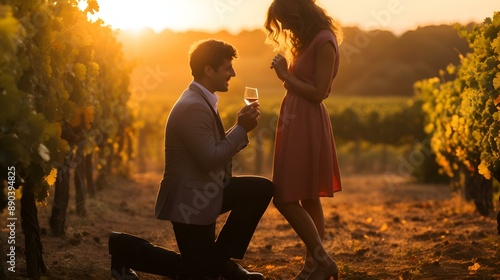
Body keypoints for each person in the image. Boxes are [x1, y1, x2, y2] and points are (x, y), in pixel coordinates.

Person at [108, 39, 274, 280]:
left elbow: (209, 149)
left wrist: (239, 129)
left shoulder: (201, 99)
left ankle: (221, 263)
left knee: (260, 189)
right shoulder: (193, 106)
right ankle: (124, 248)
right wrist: (240, 129)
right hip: (190, 200)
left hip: (206, 189)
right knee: (199, 273)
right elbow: (210, 159)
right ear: (209, 69)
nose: (233, 73)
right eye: (227, 67)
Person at [265, 0, 343, 279]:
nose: (283, 27)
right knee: (309, 197)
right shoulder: (308, 40)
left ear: (297, 12)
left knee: (284, 197)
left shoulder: (325, 42)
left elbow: (319, 92)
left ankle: (322, 260)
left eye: (284, 19)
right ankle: (313, 266)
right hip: (296, 119)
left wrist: (285, 75)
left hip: (307, 120)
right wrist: (286, 74)